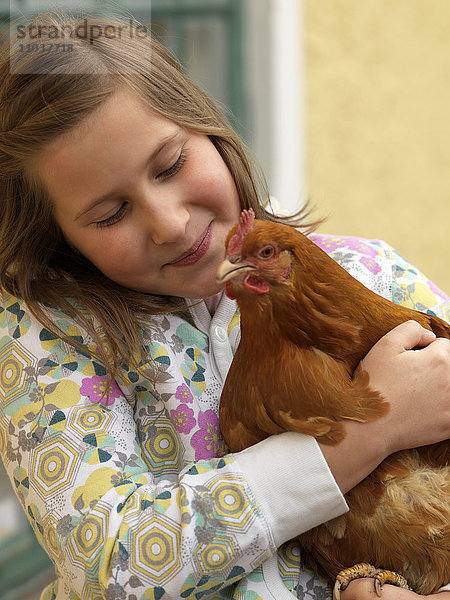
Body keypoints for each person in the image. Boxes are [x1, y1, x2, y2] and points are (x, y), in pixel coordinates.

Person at [0, 11, 449, 600]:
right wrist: (366, 432)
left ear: (210, 129)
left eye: (171, 165)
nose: (169, 222)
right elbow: (112, 564)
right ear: (56, 234)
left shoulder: (371, 273)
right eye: (109, 214)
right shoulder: (49, 338)